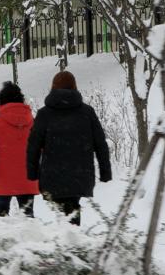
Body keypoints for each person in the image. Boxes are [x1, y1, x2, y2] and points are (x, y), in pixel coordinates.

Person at [26, 70, 112, 225]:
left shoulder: (44, 114)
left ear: (53, 87)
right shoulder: (87, 112)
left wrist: (32, 173)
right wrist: (105, 171)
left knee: (62, 210)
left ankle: (67, 241)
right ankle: (72, 241)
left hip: (52, 175)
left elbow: (33, 146)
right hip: (80, 174)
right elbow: (100, 144)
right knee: (72, 208)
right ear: (75, 87)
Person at [0, 81, 39, 217]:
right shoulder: (32, 122)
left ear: (1, 101)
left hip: (3, 181)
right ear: (20, 99)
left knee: (2, 218)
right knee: (28, 219)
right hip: (27, 180)